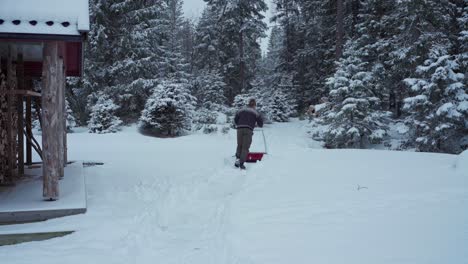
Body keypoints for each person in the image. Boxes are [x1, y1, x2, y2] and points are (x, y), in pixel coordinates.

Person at [234, 99, 264, 170]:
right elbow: (261, 124)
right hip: (248, 129)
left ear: (248, 104)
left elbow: (235, 119)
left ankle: (237, 159)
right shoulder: (255, 112)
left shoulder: (241, 110)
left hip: (239, 128)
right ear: (254, 105)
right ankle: (241, 163)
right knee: (245, 147)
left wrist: (240, 123)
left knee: (239, 145)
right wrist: (255, 123)